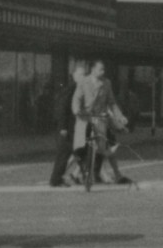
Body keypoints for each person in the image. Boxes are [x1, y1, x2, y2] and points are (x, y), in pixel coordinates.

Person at [70, 60, 131, 189]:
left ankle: (85, 173)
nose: (103, 72)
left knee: (102, 147)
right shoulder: (83, 82)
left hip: (99, 119)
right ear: (93, 69)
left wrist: (120, 117)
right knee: (81, 146)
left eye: (103, 70)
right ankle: (78, 173)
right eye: (100, 69)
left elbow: (112, 102)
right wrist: (76, 109)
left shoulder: (106, 83)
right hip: (84, 118)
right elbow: (77, 98)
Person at [49, 60, 90, 188]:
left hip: (76, 129)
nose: (82, 77)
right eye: (80, 74)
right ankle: (56, 180)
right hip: (67, 129)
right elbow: (62, 109)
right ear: (74, 76)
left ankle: (81, 177)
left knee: (81, 153)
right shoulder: (70, 90)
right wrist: (63, 127)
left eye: (84, 75)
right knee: (64, 155)